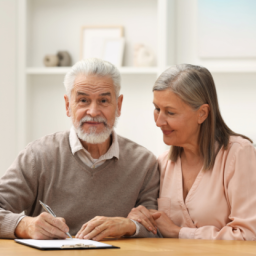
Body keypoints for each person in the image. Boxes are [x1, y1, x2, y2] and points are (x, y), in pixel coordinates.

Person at [0, 58, 160, 240]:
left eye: (103, 101)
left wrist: (129, 226)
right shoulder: (38, 155)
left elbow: (155, 227)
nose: (93, 111)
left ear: (119, 105)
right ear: (68, 105)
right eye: (83, 100)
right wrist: (24, 225)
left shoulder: (144, 162)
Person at [128, 64, 256, 240]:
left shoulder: (239, 154)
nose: (159, 121)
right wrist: (139, 218)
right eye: (157, 109)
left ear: (202, 113)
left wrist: (178, 232)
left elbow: (248, 235)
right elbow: (156, 229)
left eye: (170, 112)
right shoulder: (162, 163)